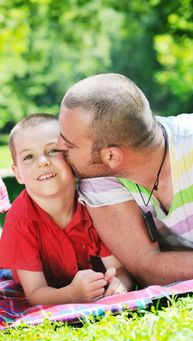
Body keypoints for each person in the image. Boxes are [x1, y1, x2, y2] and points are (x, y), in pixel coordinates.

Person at [57, 72, 193, 287]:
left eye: (68, 144)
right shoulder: (98, 176)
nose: (57, 147)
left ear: (111, 156)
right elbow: (147, 268)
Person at [0, 113, 133, 305]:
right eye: (29, 156)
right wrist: (70, 295)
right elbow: (35, 292)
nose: (43, 161)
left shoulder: (94, 204)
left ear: (71, 157)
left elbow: (119, 270)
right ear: (18, 173)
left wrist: (120, 284)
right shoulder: (20, 220)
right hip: (30, 276)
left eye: (53, 150)